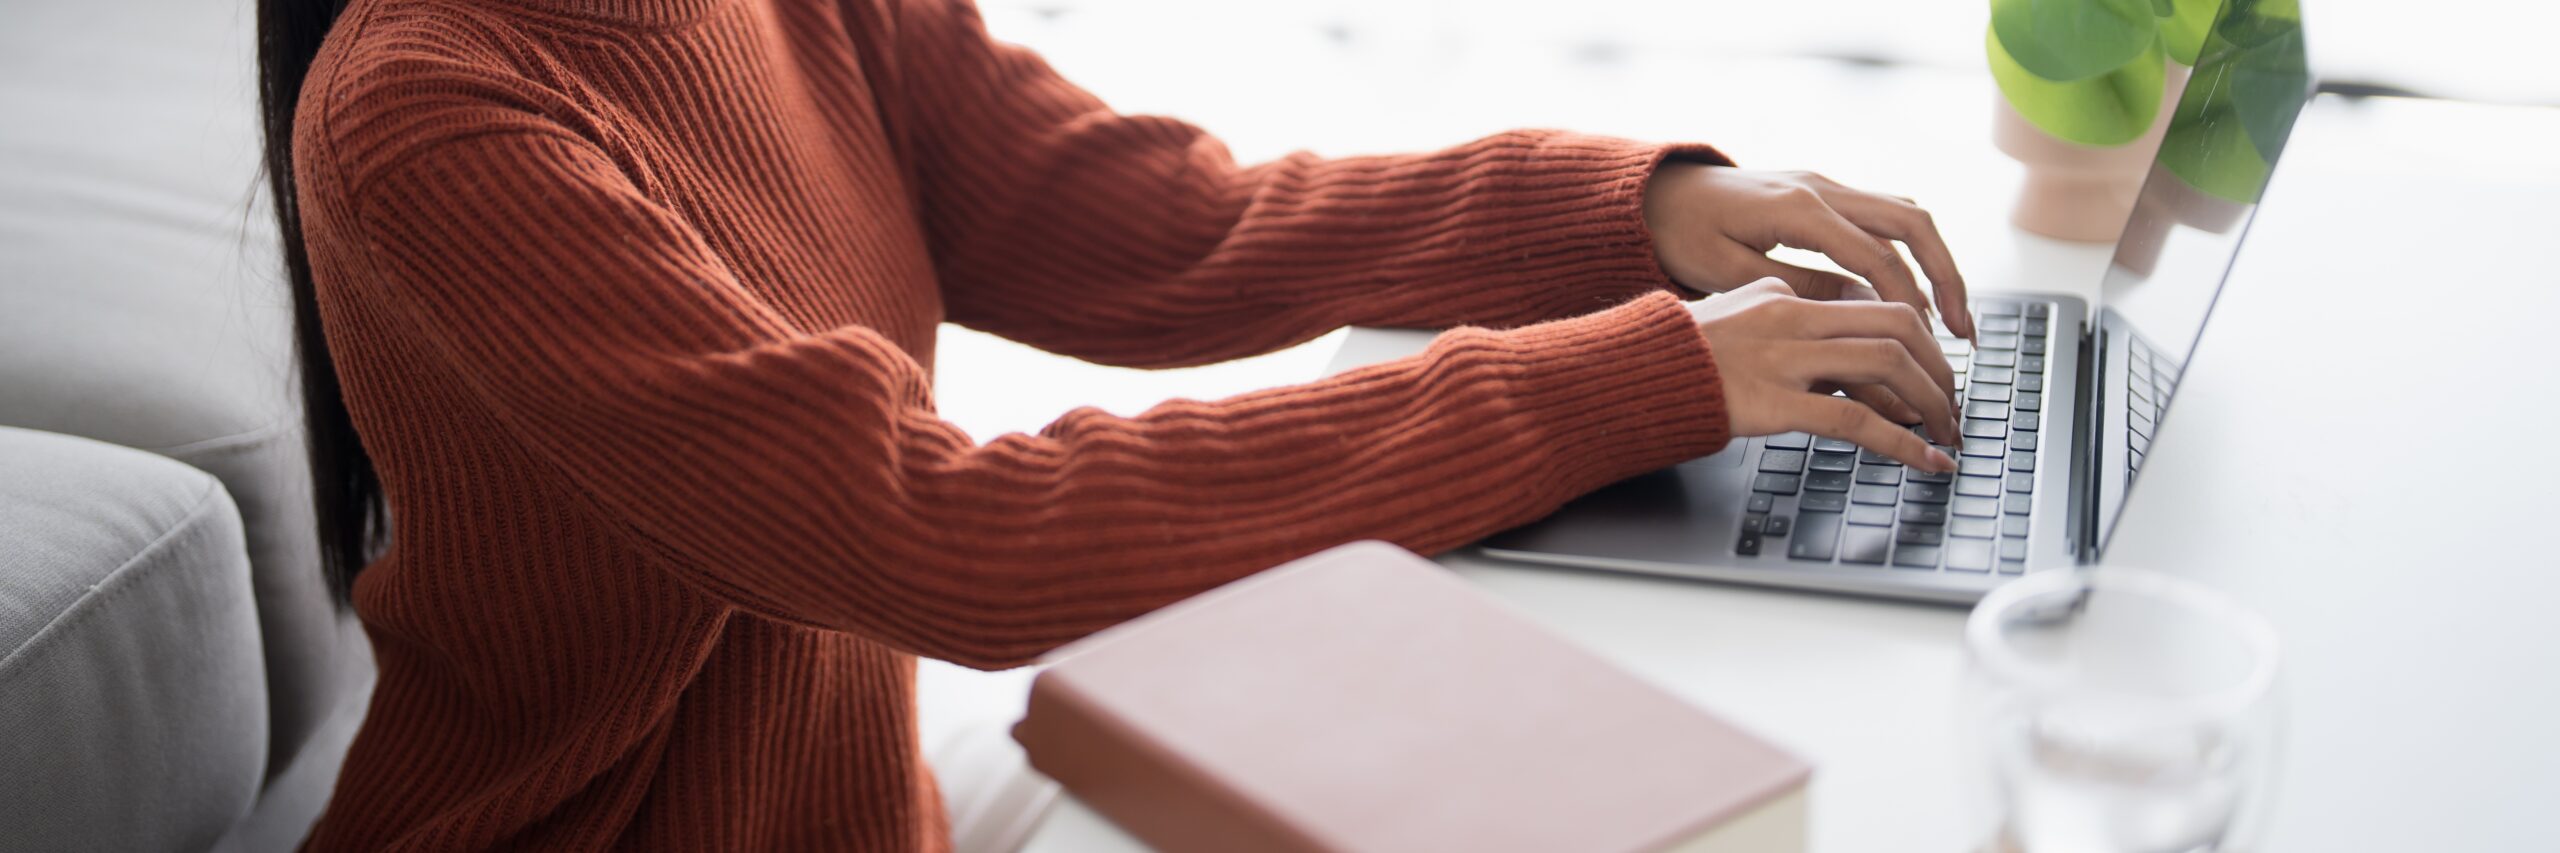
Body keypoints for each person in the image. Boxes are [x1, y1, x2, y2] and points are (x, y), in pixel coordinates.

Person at [255, 0, 1973, 847]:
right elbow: (943, 537)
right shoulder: (435, 121)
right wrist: (1639, 380)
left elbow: (1171, 230)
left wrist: (1633, 213)